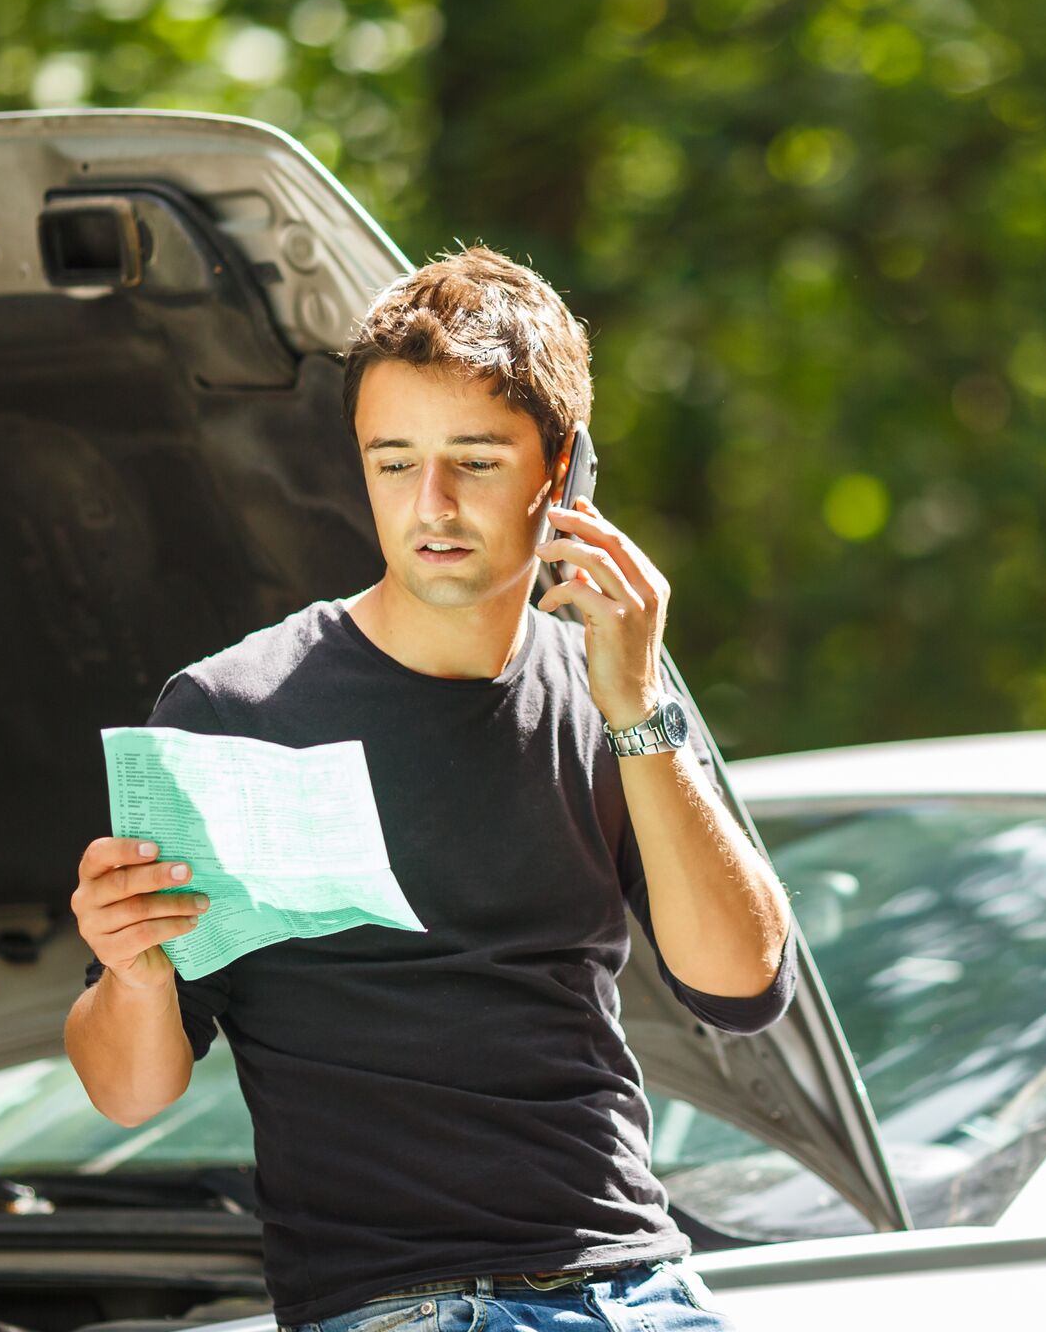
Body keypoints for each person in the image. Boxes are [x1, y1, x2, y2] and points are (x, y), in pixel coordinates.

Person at [63, 244, 794, 1332]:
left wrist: (638, 708)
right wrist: (129, 972)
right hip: (399, 1308)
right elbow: (129, 1091)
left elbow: (742, 987)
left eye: (476, 461)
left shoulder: (610, 692)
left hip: (640, 1288)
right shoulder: (236, 708)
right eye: (394, 462)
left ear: (565, 474)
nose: (432, 505)